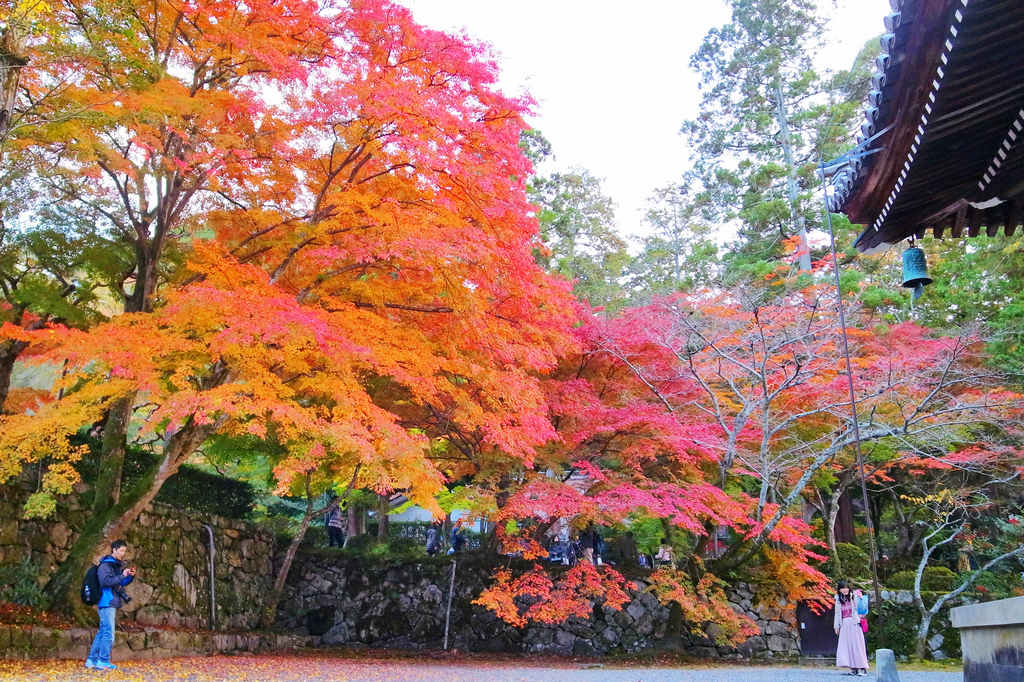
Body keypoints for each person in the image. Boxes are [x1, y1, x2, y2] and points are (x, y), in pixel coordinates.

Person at [86, 539, 136, 670]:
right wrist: (121, 576)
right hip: (106, 601)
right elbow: (106, 582)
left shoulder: (115, 566)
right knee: (108, 633)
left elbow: (120, 584)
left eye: (124, 551)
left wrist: (129, 576)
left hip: (111, 601)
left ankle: (92, 660)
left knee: (102, 632)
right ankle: (103, 660)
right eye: (121, 551)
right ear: (114, 550)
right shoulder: (105, 565)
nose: (123, 553)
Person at [833, 579, 869, 676]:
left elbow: (862, 609)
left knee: (857, 646)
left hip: (854, 624)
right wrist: (836, 626)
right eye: (842, 588)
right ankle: (853, 669)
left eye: (846, 588)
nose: (845, 590)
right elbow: (837, 614)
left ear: (849, 588)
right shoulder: (838, 599)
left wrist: (859, 598)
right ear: (839, 590)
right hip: (844, 624)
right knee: (847, 647)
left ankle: (863, 669)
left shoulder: (854, 597)